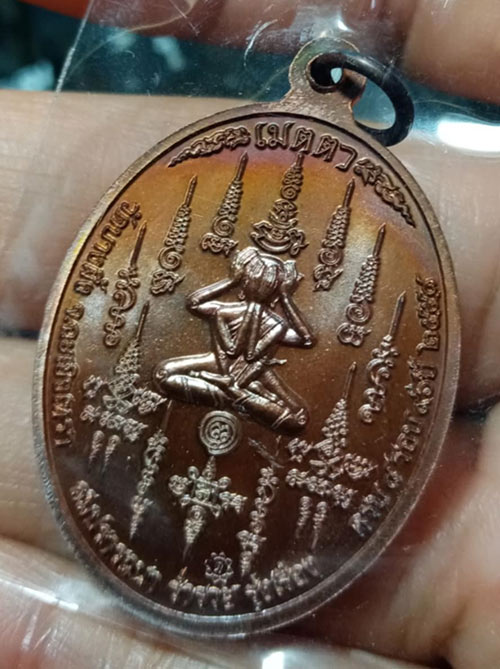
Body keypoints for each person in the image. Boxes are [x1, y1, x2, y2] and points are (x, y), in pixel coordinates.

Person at [2, 1, 500, 667]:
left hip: (250, 389)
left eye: (276, 268)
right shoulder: (233, 301)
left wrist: (276, 302)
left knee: (285, 412)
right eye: (259, 263)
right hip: (215, 376)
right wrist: (238, 290)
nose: (266, 272)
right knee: (173, 374)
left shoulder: (275, 314)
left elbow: (299, 340)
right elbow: (200, 301)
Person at [155, 247, 314, 433]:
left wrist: (234, 281)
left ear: (243, 283)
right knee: (162, 374)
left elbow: (307, 339)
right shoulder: (243, 316)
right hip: (219, 366)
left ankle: (231, 392)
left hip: (254, 372)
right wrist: (284, 296)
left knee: (298, 419)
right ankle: (236, 396)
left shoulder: (237, 314)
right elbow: (306, 339)